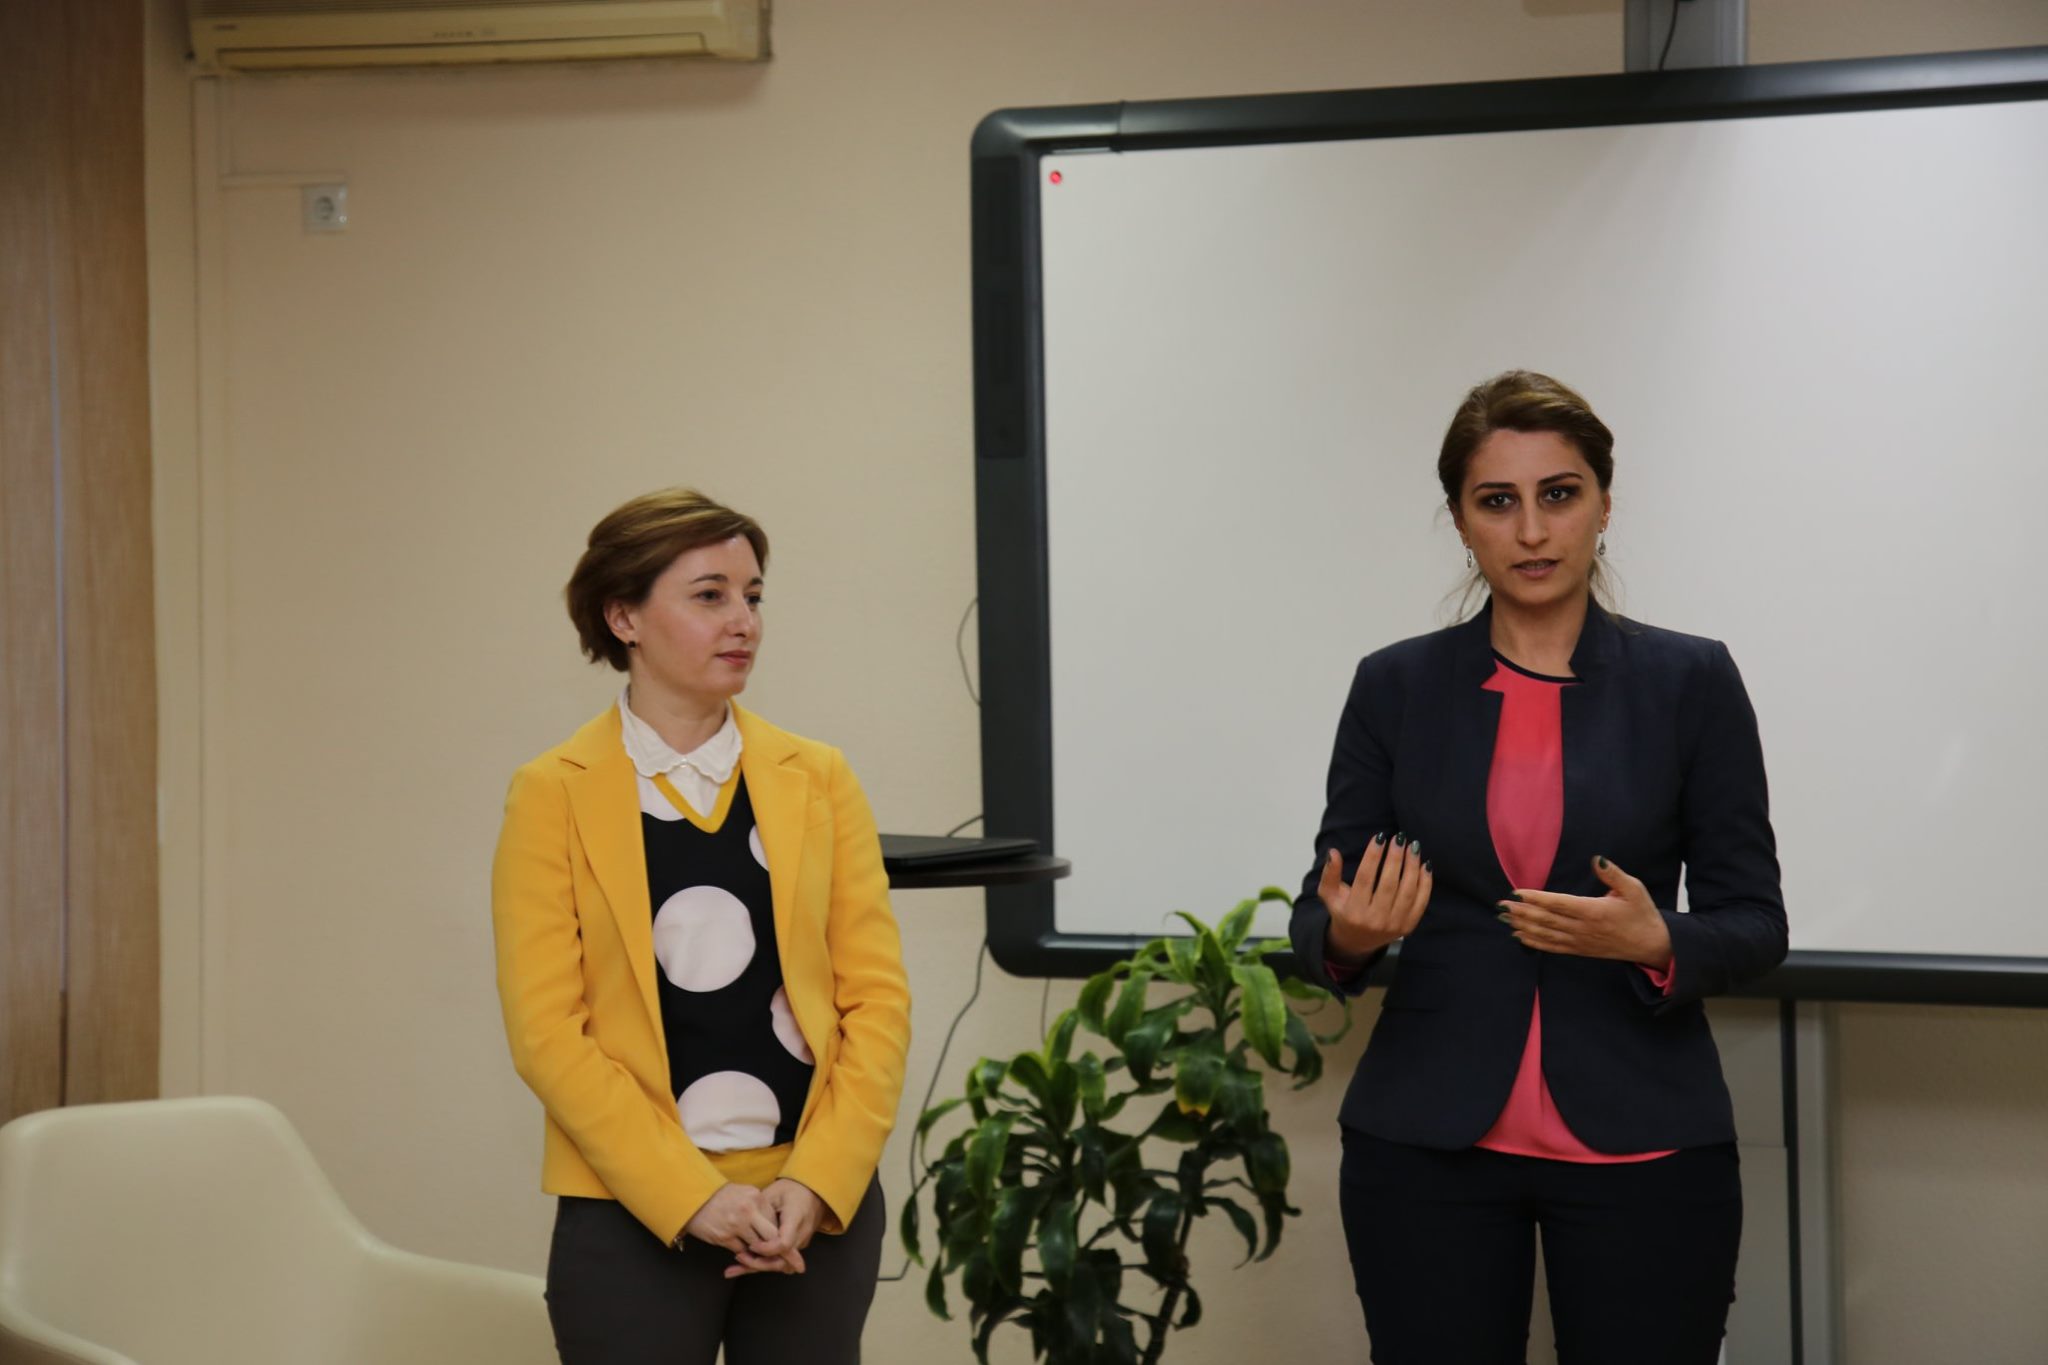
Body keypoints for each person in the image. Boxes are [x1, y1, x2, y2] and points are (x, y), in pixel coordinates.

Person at [1290, 371, 1787, 1365]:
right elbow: (1318, 921)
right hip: (1425, 1141)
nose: (1530, 530)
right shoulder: (1393, 686)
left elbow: (1753, 923)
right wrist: (1351, 930)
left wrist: (1656, 940)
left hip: (1643, 1137)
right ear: (1459, 521)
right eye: (1496, 501)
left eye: (1558, 494)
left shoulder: (1690, 681)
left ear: (1603, 504)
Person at [491, 488, 911, 1365]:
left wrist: (819, 1178)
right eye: (710, 595)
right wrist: (689, 1195)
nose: (743, 621)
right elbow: (547, 1032)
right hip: (632, 1209)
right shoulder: (552, 791)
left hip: (810, 1209)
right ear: (624, 617)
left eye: (752, 595)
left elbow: (876, 1001)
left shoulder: (819, 777)